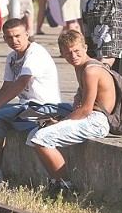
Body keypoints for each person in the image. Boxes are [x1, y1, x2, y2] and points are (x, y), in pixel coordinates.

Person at [0, 17, 61, 186]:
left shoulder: (35, 53)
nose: (14, 41)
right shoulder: (12, 57)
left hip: (44, 106)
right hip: (26, 105)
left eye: (17, 36)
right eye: (9, 37)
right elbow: (6, 87)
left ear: (27, 34)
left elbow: (21, 83)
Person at [26, 29, 112, 195]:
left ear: (85, 48)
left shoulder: (90, 70)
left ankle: (67, 187)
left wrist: (61, 122)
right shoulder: (80, 67)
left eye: (76, 51)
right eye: (68, 53)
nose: (73, 56)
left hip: (97, 121)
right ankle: (54, 181)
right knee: (32, 136)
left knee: (41, 138)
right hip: (89, 117)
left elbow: (86, 110)